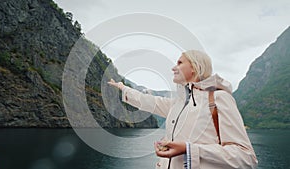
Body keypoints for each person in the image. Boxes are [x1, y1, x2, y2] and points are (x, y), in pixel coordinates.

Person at [108, 50, 258, 169]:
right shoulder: (178, 104)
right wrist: (123, 88)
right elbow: (147, 101)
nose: (173, 67)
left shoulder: (219, 99)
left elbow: (246, 157)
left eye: (179, 63)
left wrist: (189, 149)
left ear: (195, 67)